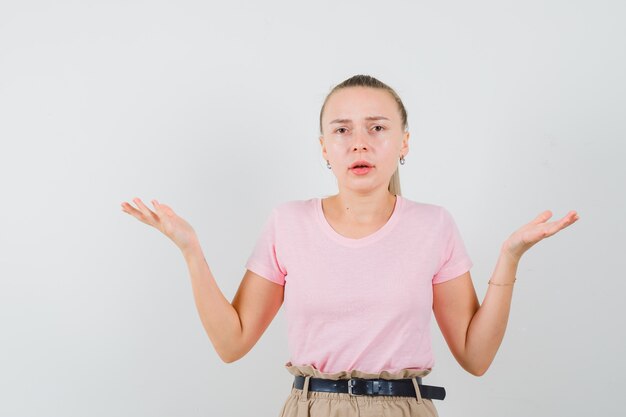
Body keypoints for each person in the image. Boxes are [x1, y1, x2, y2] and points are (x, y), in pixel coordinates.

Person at [121, 74, 579, 417]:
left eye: (377, 128)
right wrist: (190, 250)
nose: (359, 142)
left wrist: (510, 256)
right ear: (324, 148)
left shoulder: (433, 225)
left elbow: (475, 357)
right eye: (342, 130)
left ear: (404, 142)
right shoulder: (288, 222)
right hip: (311, 407)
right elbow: (232, 342)